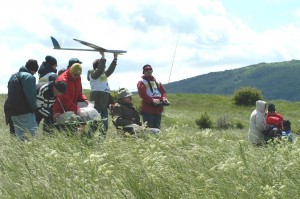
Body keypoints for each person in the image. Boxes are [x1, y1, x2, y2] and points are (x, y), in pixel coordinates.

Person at [7, 59, 39, 141]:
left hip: (13, 113)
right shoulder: (29, 77)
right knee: (32, 139)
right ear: (33, 70)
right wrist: (34, 109)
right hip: (25, 113)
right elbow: (31, 96)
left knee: (20, 141)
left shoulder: (13, 76)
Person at [87, 51, 118, 132]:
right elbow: (100, 69)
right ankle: (88, 138)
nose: (104, 68)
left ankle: (100, 141)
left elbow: (110, 70)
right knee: (95, 122)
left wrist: (115, 59)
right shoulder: (93, 75)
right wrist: (103, 57)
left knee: (104, 125)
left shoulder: (102, 75)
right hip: (97, 99)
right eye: (103, 67)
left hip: (104, 100)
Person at [137, 64, 169, 129]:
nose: (148, 71)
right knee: (149, 128)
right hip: (148, 109)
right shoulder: (142, 82)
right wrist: (152, 100)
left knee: (157, 128)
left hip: (158, 108)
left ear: (152, 70)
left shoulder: (157, 81)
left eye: (150, 69)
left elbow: (163, 91)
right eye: (146, 70)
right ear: (144, 72)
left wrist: (164, 98)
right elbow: (142, 94)